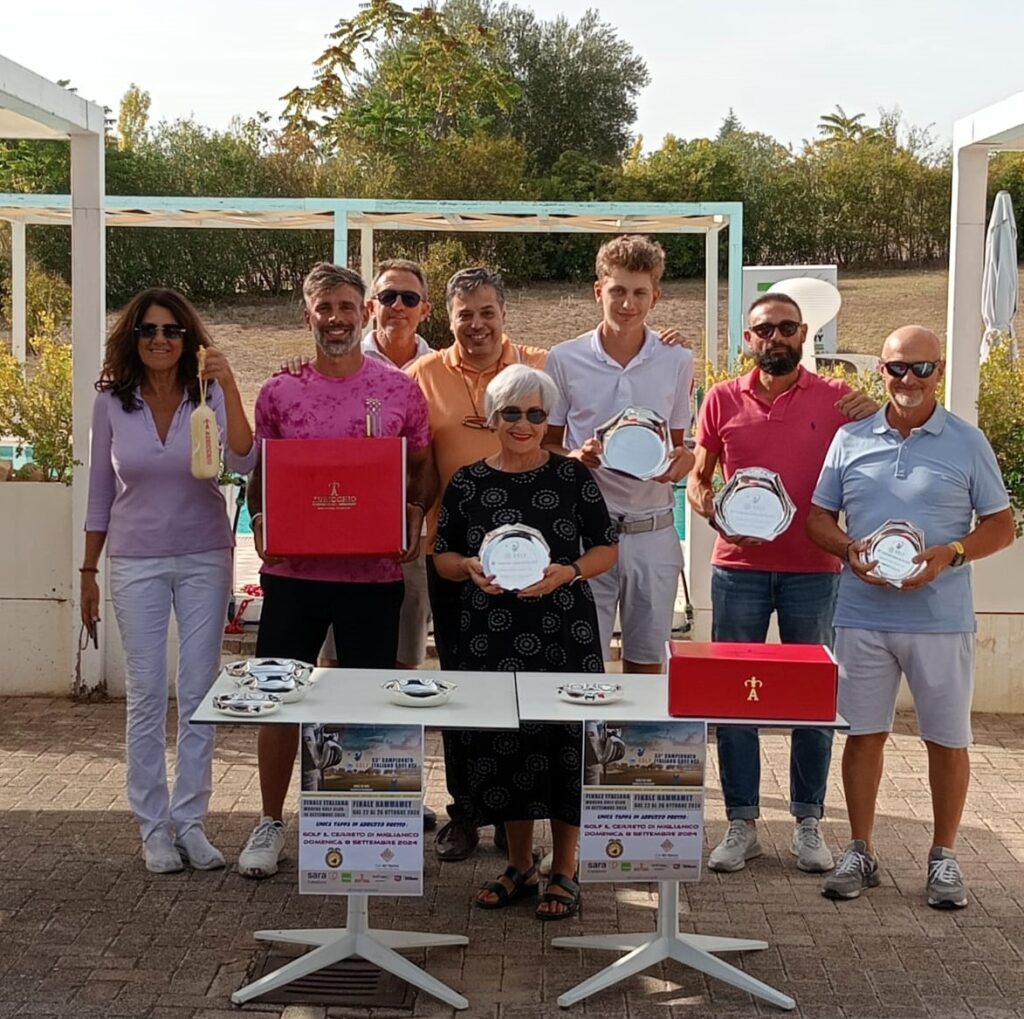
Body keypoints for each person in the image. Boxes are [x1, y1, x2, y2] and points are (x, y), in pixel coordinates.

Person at [807, 325, 1014, 908]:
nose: (910, 379)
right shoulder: (850, 439)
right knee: (862, 736)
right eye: (898, 367)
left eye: (922, 368)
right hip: (862, 613)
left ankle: (944, 856)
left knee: (947, 740)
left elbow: (1001, 525)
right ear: (881, 370)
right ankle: (860, 850)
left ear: (938, 372)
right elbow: (819, 518)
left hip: (941, 618)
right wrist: (848, 550)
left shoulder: (967, 442)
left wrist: (952, 554)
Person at [238, 262, 433, 879]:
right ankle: (271, 821)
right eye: (325, 307)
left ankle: (359, 822)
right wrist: (261, 520)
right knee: (278, 699)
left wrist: (413, 513)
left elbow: (422, 467)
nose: (337, 319)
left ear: (364, 312)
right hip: (294, 574)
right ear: (308, 315)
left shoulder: (400, 391)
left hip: (372, 578)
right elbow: (262, 474)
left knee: (368, 701)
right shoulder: (279, 391)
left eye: (347, 306)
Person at [687, 292, 877, 875]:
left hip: (815, 572)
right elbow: (698, 480)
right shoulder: (721, 398)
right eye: (764, 329)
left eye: (786, 327)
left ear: (803, 334)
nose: (775, 338)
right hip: (737, 570)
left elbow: (882, 452)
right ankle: (742, 821)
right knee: (734, 698)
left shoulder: (838, 400)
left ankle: (808, 821)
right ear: (749, 339)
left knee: (811, 699)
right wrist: (714, 512)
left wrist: (876, 411)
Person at [433, 364, 618, 919]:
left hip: (563, 632)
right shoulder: (467, 481)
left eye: (536, 414)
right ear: (493, 417)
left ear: (547, 419)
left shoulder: (571, 477)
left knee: (565, 742)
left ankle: (565, 868)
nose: (524, 424)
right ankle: (519, 864)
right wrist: (468, 567)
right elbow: (441, 557)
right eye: (511, 412)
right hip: (491, 635)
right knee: (505, 743)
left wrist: (570, 572)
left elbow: (606, 547)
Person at [81, 287, 256, 873]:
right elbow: (99, 492)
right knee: (148, 690)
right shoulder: (112, 401)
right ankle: (154, 827)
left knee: (200, 689)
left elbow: (244, 460)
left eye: (172, 330)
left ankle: (192, 821)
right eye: (149, 330)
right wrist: (88, 570)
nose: (160, 340)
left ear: (188, 338)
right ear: (133, 338)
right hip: (136, 560)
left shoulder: (206, 392)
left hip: (205, 554)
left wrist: (229, 383)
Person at [408, 266, 548, 862]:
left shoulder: (538, 366)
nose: (477, 324)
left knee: (523, 692)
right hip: (453, 556)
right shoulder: (422, 374)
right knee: (462, 688)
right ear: (447, 318)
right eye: (465, 314)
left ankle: (515, 820)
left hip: (532, 561)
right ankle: (465, 811)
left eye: (488, 312)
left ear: (504, 315)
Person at [544, 235, 695, 675]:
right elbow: (548, 444)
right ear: (599, 291)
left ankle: (638, 729)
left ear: (655, 296)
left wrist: (677, 465)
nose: (628, 304)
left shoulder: (677, 358)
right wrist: (575, 456)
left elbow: (679, 446)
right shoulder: (565, 358)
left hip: (653, 532)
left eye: (639, 293)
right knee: (584, 663)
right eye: (618, 291)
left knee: (646, 664)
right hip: (587, 533)